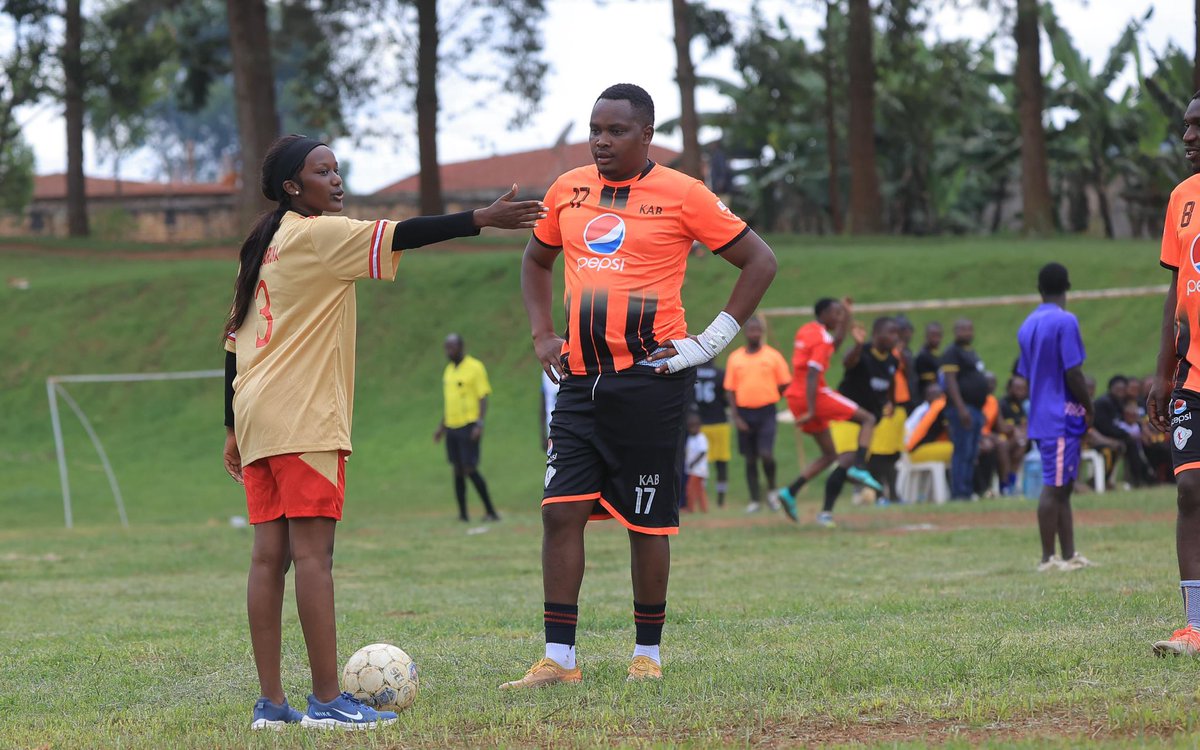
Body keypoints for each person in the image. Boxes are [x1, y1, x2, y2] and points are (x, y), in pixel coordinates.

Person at [221, 135, 542, 728]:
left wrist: (232, 429)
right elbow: (402, 233)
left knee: (269, 558)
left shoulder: (262, 245)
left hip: (257, 416)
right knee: (315, 556)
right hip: (304, 417)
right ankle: (325, 703)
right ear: (293, 187)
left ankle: (271, 705)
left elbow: (234, 340)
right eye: (323, 171)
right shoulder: (317, 234)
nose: (337, 180)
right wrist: (483, 219)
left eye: (337, 169)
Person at [505, 83, 777, 688]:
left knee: (647, 521)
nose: (601, 140)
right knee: (560, 512)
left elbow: (761, 261)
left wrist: (709, 342)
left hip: (651, 381)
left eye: (616, 130)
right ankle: (560, 660)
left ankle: (647, 655)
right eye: (595, 129)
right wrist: (543, 333)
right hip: (579, 382)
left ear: (646, 135)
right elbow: (535, 259)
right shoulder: (568, 190)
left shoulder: (685, 195)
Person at [1149, 91, 1200, 655]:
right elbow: (1175, 290)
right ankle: (1197, 625)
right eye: (1186, 126)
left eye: (1198, 127)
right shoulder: (1182, 199)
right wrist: (1163, 373)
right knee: (1191, 490)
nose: (1188, 137)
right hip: (1194, 376)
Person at [776, 299, 884, 527]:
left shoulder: (807, 331)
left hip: (796, 396)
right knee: (869, 418)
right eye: (835, 314)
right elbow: (814, 373)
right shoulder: (823, 338)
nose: (838, 318)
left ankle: (790, 492)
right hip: (813, 394)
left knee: (829, 455)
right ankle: (859, 468)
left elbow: (832, 344)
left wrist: (845, 317)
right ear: (823, 313)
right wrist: (812, 409)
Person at [1016, 262, 1094, 572]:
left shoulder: (1027, 324)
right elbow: (1073, 371)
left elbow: (1025, 373)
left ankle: (1070, 554)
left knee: (1063, 486)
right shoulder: (1065, 321)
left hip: (1041, 413)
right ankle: (1048, 559)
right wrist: (1089, 406)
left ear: (1039, 289)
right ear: (1067, 289)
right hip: (1061, 414)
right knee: (1055, 486)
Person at [830, 316, 900, 508]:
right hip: (846, 417)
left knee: (852, 465)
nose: (896, 337)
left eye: (897, 333)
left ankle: (824, 506)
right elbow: (847, 362)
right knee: (848, 461)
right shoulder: (863, 352)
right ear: (876, 334)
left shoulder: (892, 360)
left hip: (867, 422)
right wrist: (858, 345)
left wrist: (891, 402)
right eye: (891, 333)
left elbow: (891, 381)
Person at [724, 316, 791, 513]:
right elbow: (730, 389)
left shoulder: (773, 356)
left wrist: (774, 396)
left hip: (767, 411)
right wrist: (736, 417)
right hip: (744, 413)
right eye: (751, 329)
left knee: (766, 454)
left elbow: (785, 382)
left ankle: (772, 491)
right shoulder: (735, 358)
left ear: (762, 332)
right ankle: (754, 498)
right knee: (750, 458)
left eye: (757, 330)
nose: (754, 333)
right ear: (745, 332)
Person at [435, 333, 500, 522]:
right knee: (456, 469)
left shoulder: (475, 367)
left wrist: (479, 423)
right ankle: (463, 514)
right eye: (446, 347)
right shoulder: (449, 371)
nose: (449, 351)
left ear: (461, 347)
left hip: (469, 426)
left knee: (469, 468)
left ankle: (491, 511)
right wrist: (441, 427)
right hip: (452, 427)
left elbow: (483, 396)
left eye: (452, 347)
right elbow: (450, 402)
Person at [940, 318, 989, 500]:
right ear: (955, 331)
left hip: (975, 409)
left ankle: (967, 490)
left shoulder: (972, 353)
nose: (965, 332)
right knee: (962, 451)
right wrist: (961, 408)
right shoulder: (952, 352)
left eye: (968, 329)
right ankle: (959, 492)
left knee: (971, 452)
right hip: (962, 410)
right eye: (961, 329)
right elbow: (951, 382)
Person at [1095, 375, 1152, 487]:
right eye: (1118, 390)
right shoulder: (1103, 403)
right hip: (1101, 439)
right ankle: (1103, 481)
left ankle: (1143, 478)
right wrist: (1127, 434)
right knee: (1123, 446)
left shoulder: (1121, 402)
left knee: (1139, 445)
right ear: (1111, 389)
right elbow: (1106, 427)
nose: (1120, 393)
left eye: (1123, 390)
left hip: (1119, 437)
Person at [691, 361, 731, 506]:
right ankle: (721, 499)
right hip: (719, 422)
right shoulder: (720, 373)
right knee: (721, 463)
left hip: (699, 424)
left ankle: (701, 499)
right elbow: (726, 398)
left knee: (700, 464)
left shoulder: (693, 372)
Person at [998, 375, 1031, 494]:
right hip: (1003, 440)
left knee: (1022, 443)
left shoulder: (1020, 405)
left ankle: (1011, 483)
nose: (1021, 391)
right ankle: (1005, 484)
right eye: (1017, 388)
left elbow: (1024, 424)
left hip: (1017, 441)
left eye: (1023, 388)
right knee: (1017, 443)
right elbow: (1002, 427)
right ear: (1010, 388)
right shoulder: (1003, 403)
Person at [684, 411, 710, 513]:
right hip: (692, 469)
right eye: (690, 427)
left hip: (699, 470)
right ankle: (704, 508)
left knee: (690, 489)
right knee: (700, 490)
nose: (692, 429)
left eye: (694, 427)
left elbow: (702, 452)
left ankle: (690, 508)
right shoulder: (691, 438)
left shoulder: (701, 438)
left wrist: (693, 462)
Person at [914, 322, 944, 395]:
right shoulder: (923, 356)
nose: (936, 338)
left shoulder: (938, 354)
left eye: (938, 335)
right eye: (933, 335)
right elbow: (928, 384)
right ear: (926, 336)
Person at [541, 369, 560, 450]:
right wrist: (543, 435)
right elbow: (543, 405)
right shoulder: (548, 370)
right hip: (553, 433)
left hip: (570, 434)